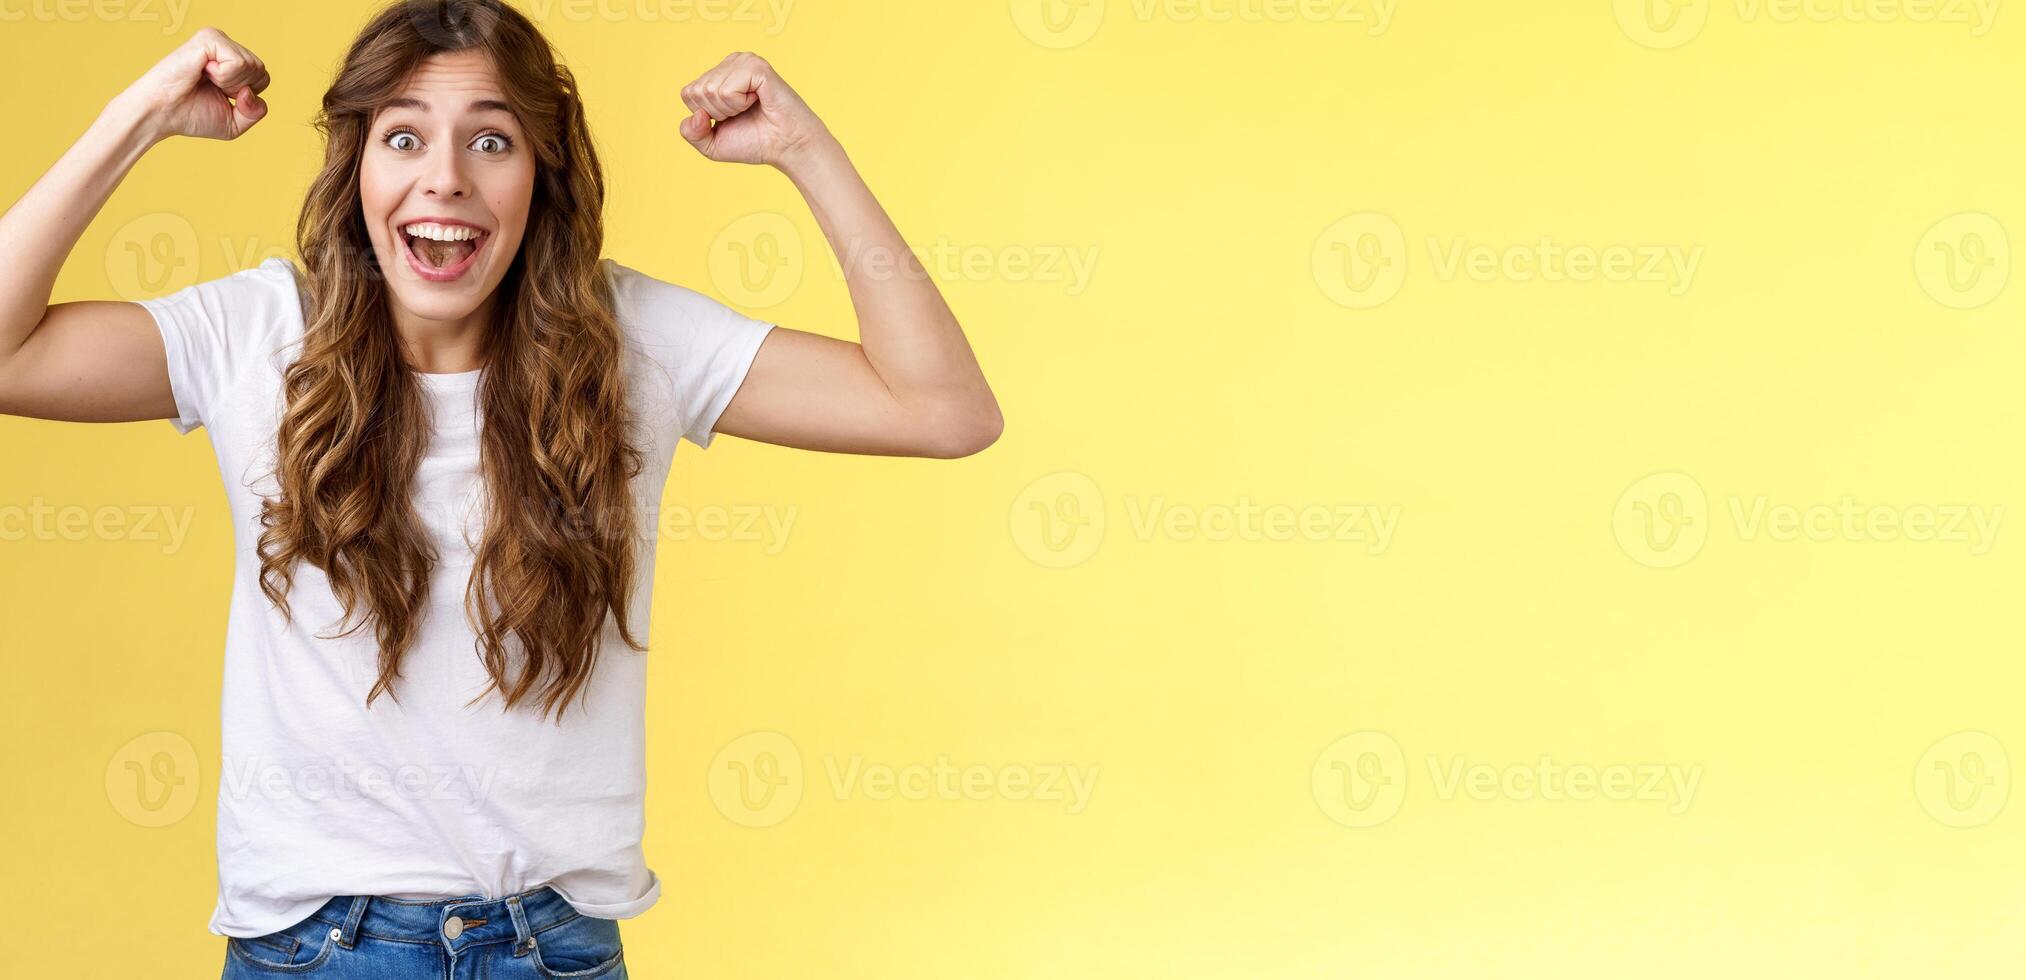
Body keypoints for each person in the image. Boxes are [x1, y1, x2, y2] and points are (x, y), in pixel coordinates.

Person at [0, 1, 1001, 976]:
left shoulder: (635, 343)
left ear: (541, 177)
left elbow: (944, 410)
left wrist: (804, 149)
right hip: (316, 951)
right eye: (402, 138)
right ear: (354, 169)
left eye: (491, 142)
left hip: (554, 947)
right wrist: (139, 118)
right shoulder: (255, 335)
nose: (444, 180)